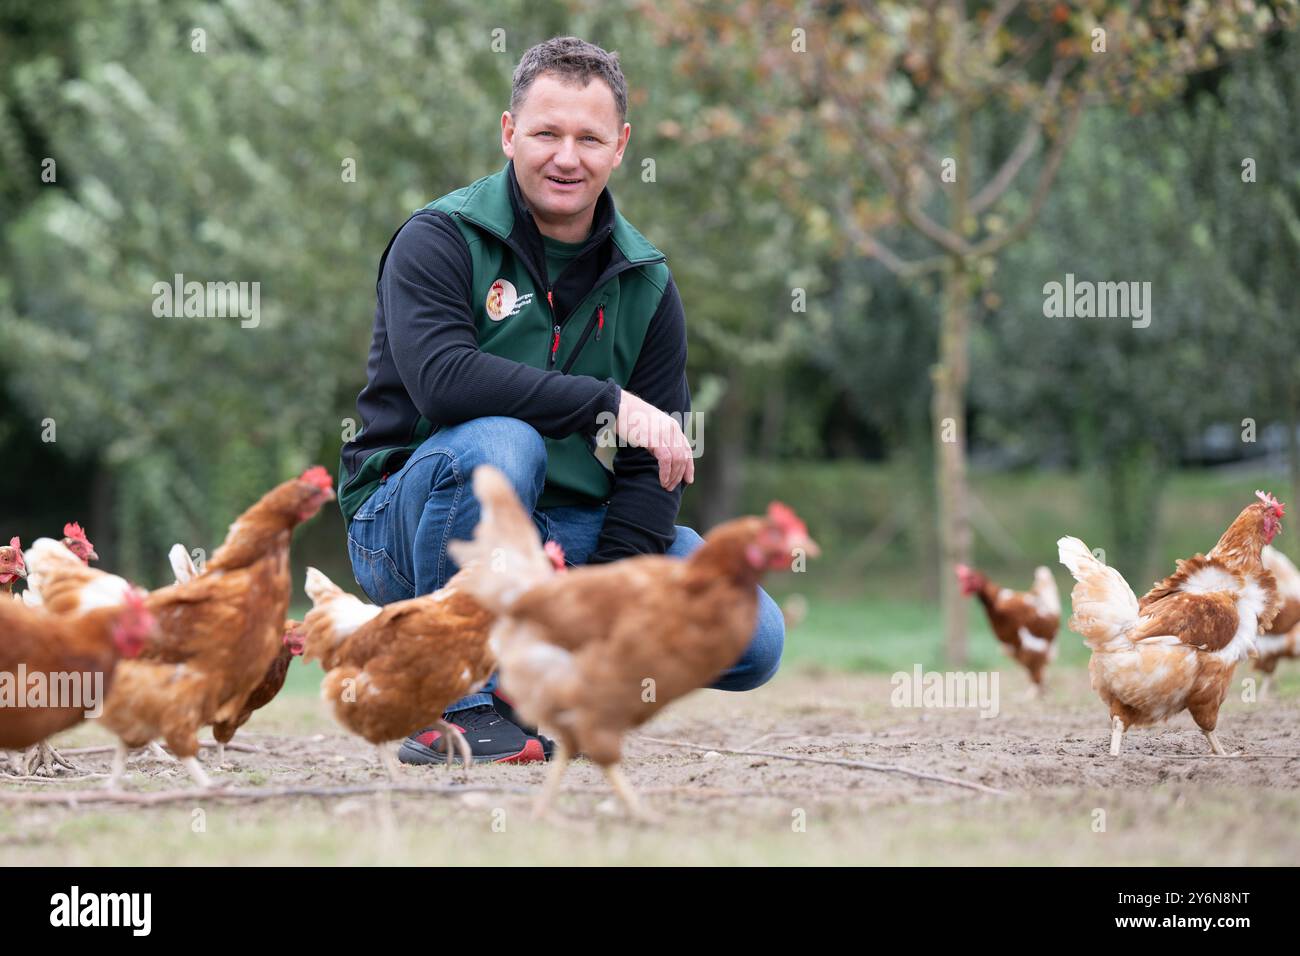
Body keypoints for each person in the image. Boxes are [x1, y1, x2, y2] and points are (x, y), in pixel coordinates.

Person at [337, 36, 784, 764]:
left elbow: (650, 476)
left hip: (557, 542)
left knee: (751, 633)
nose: (565, 157)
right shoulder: (440, 239)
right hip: (409, 526)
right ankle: (447, 701)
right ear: (509, 133)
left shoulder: (648, 284)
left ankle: (528, 682)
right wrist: (607, 402)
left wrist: (588, 611)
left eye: (588, 138)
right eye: (545, 133)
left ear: (621, 147)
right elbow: (444, 380)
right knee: (499, 446)